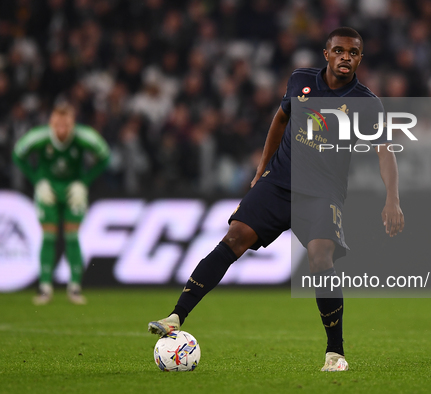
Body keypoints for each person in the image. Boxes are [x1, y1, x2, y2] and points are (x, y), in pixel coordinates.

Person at [148, 27, 405, 371]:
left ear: (360, 58)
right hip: (279, 182)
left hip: (322, 192)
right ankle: (176, 315)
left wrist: (393, 200)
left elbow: (384, 151)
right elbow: (281, 118)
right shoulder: (300, 80)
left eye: (353, 53)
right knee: (234, 237)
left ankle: (335, 352)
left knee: (319, 258)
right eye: (340, 51)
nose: (346, 57)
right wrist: (262, 169)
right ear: (326, 54)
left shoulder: (366, 103)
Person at [12, 103, 110, 305]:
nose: (62, 128)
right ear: (51, 123)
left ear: (73, 124)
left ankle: (74, 287)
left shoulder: (84, 136)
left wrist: (84, 182)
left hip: (72, 189)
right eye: (58, 123)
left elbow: (105, 156)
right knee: (48, 235)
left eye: (66, 124)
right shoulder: (40, 137)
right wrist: (37, 180)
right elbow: (17, 153)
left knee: (72, 235)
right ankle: (45, 288)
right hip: (49, 189)